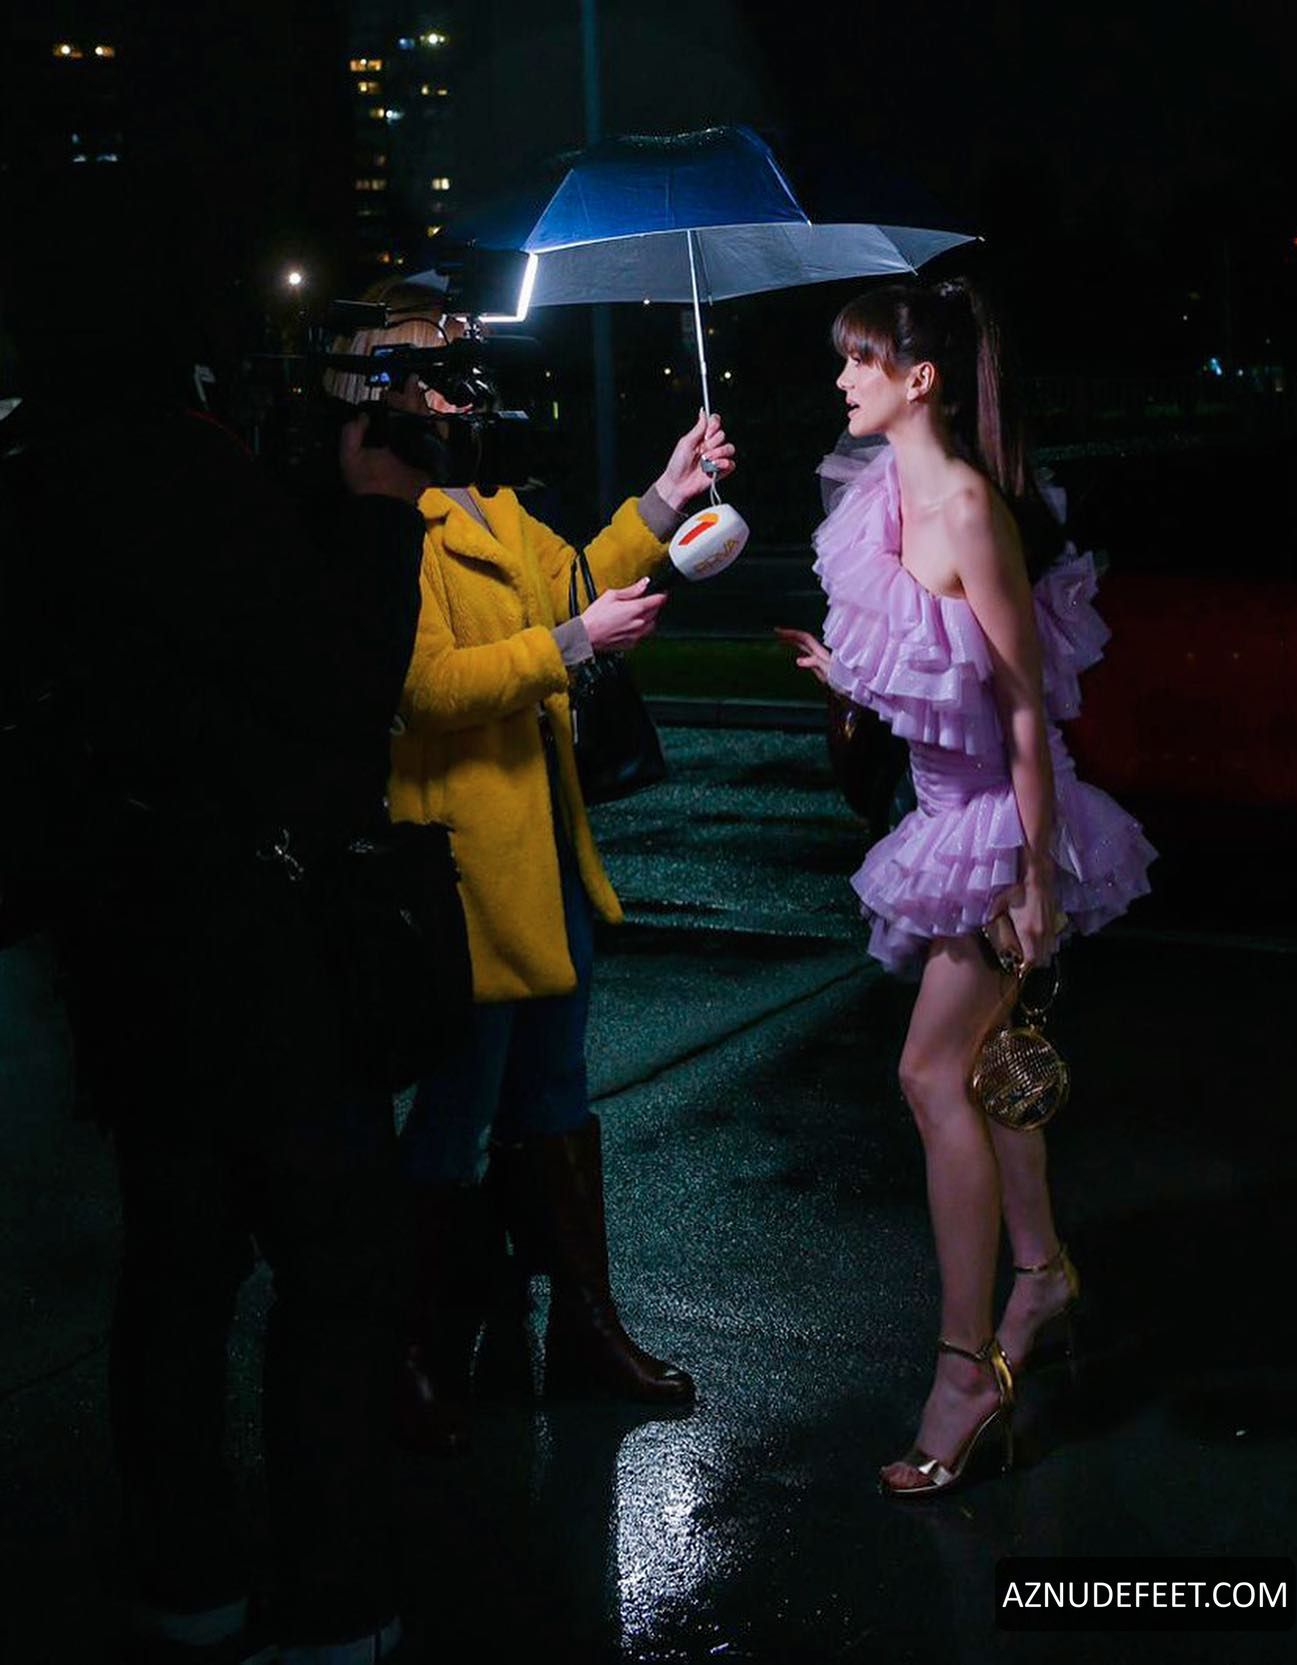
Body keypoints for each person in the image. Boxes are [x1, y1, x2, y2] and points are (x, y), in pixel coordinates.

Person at [19, 327, 433, 1659]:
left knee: (177, 1262)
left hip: (121, 937)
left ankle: (186, 1575)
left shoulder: (48, 482)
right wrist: (380, 514)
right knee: (333, 1264)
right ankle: (333, 1598)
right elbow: (337, 688)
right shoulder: (198, 484)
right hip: (259, 948)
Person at [779, 278, 1155, 1496]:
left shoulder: (967, 510)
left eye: (861, 360)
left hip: (997, 829)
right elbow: (930, 666)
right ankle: (1040, 1275)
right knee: (985, 1075)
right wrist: (848, 672)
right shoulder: (881, 498)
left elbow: (1025, 715)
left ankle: (965, 1372)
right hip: (942, 815)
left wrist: (1035, 879)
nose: (843, 380)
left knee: (929, 1074)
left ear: (920, 379)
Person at [346, 287, 737, 1448]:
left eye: (465, 362)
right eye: (440, 368)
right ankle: (408, 1351)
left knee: (555, 1096)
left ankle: (583, 1328)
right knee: (459, 1110)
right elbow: (422, 689)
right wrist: (572, 646)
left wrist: (665, 497)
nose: (465, 384)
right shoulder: (396, 520)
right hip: (461, 872)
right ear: (395, 391)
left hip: (546, 854)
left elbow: (579, 583)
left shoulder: (500, 506)